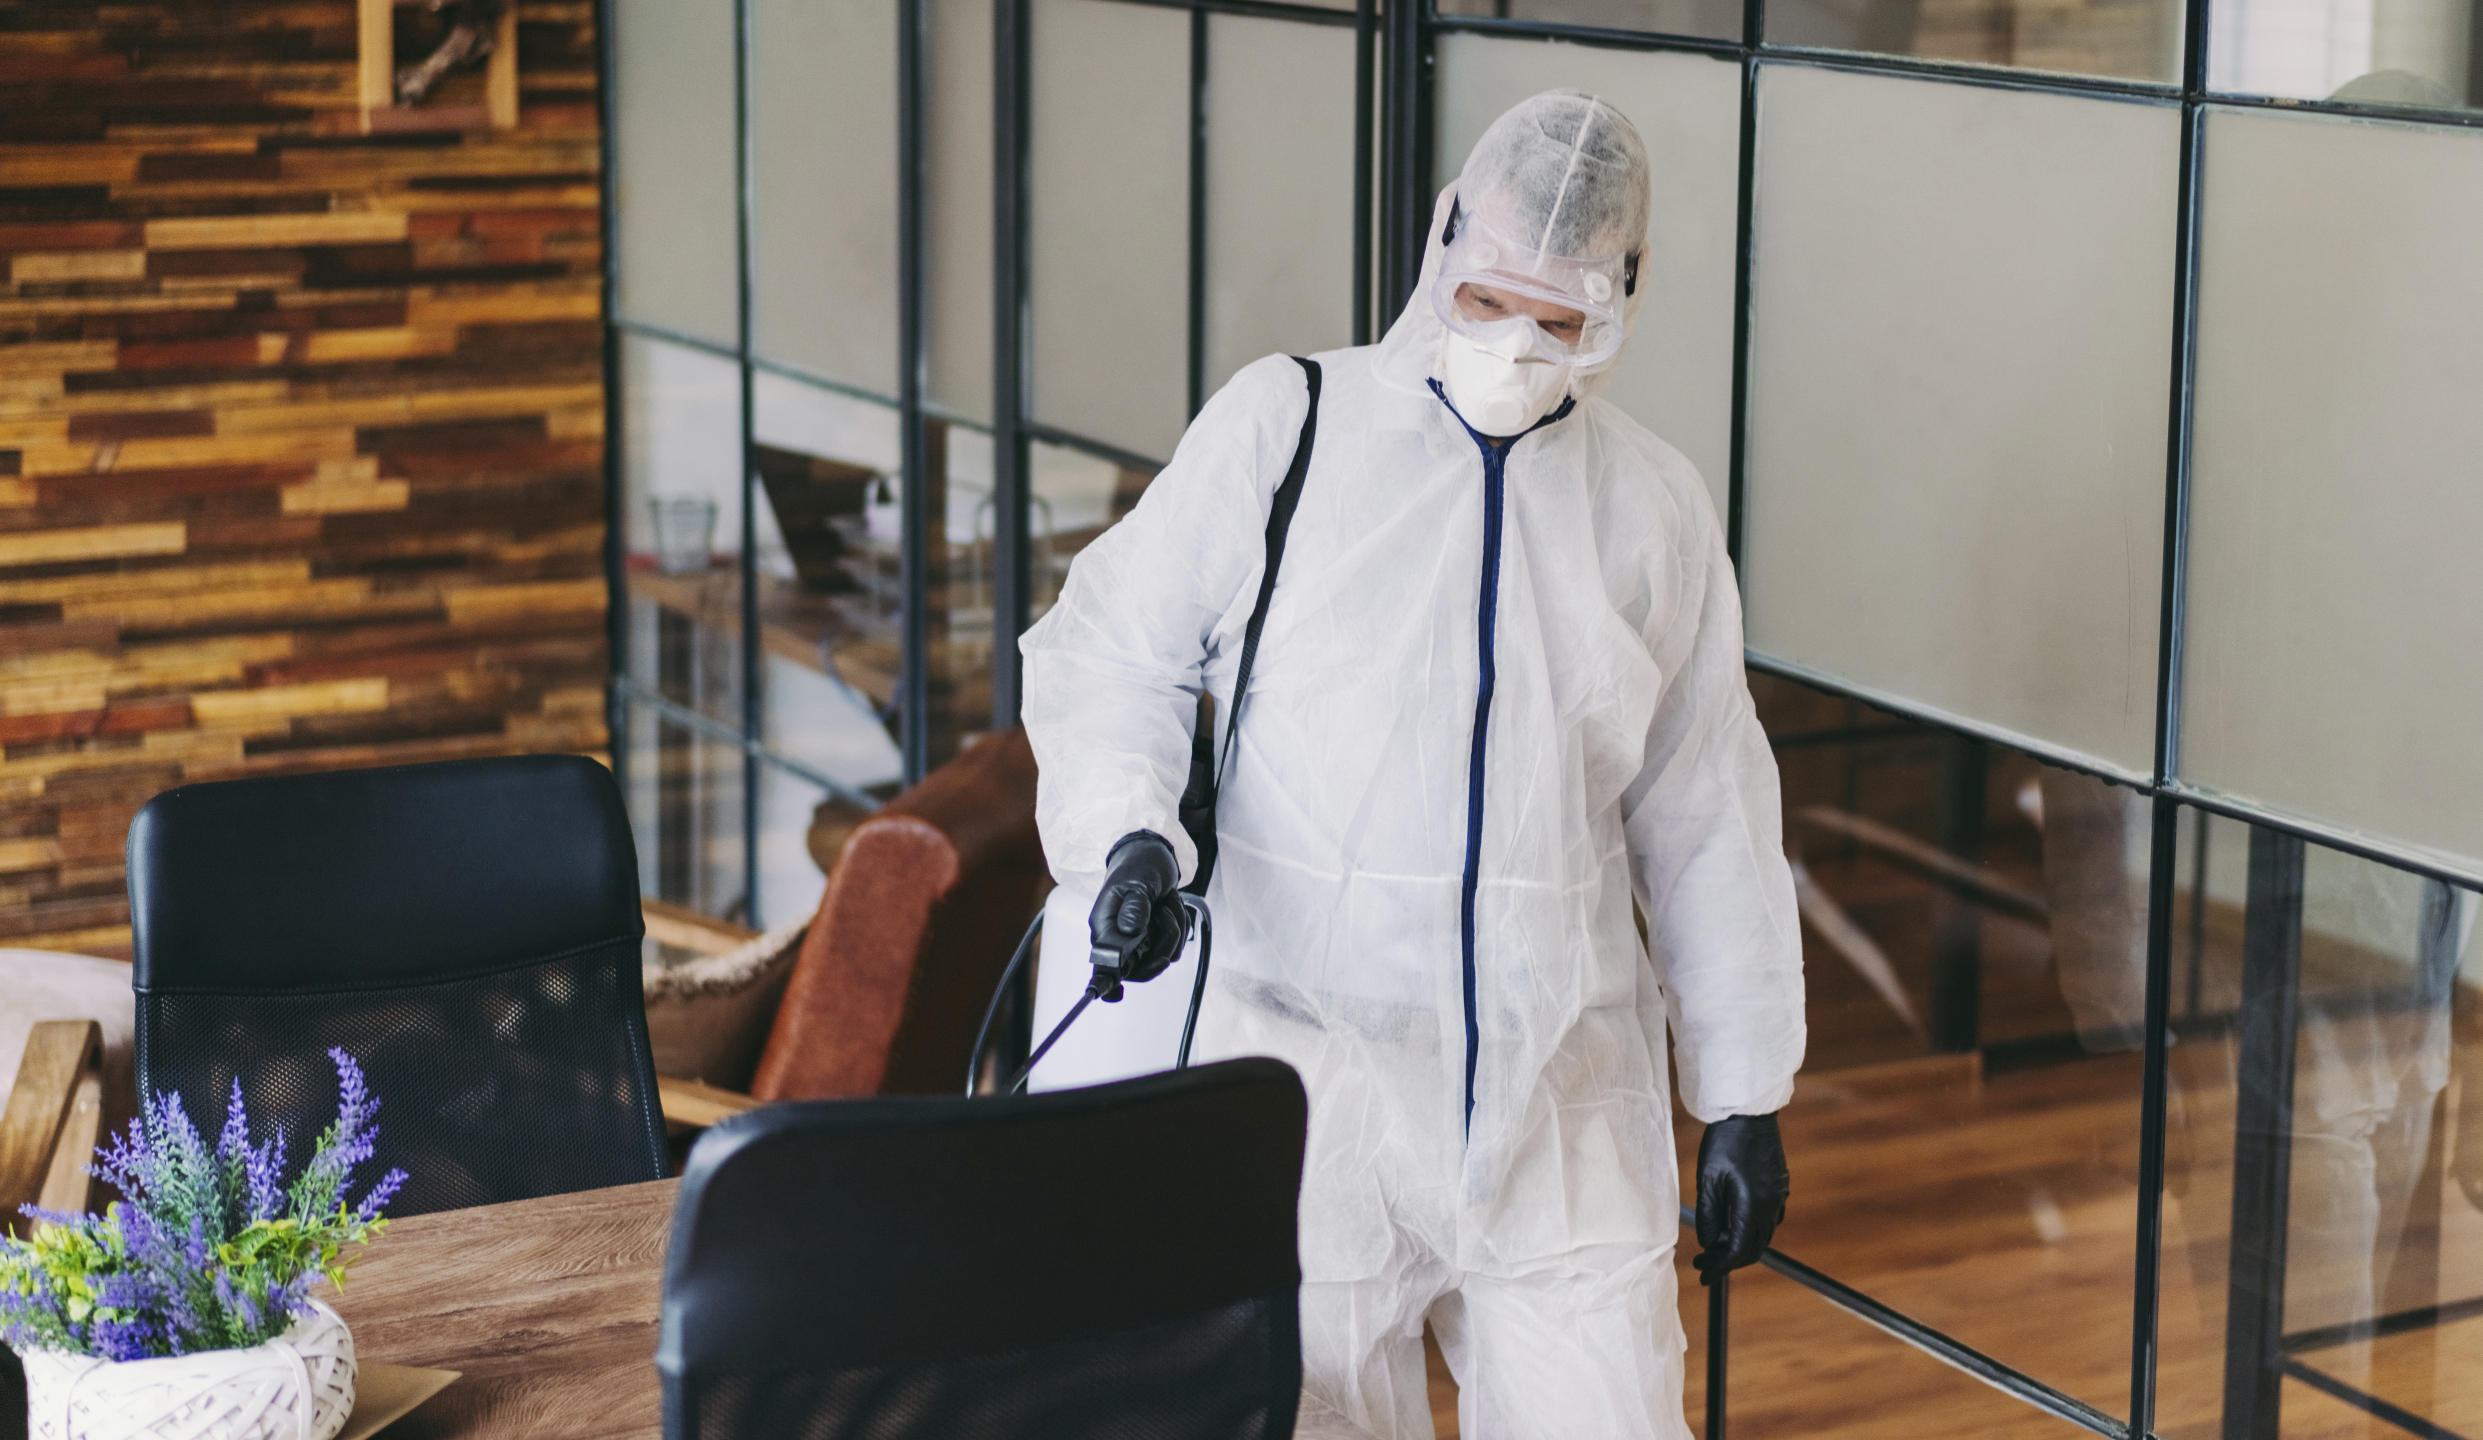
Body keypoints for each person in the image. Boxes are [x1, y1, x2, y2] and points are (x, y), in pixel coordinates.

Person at [1019, 90, 1806, 1440]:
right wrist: (1128, 833)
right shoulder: (1293, 429)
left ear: (1626, 295)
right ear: (1445, 237)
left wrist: (1741, 1091)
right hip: (1303, 1081)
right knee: (1297, 1417)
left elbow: (1703, 803)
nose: (1516, 341)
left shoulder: (1649, 507)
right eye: (1491, 294)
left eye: (1559, 319)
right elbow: (1112, 649)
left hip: (1559, 1087)